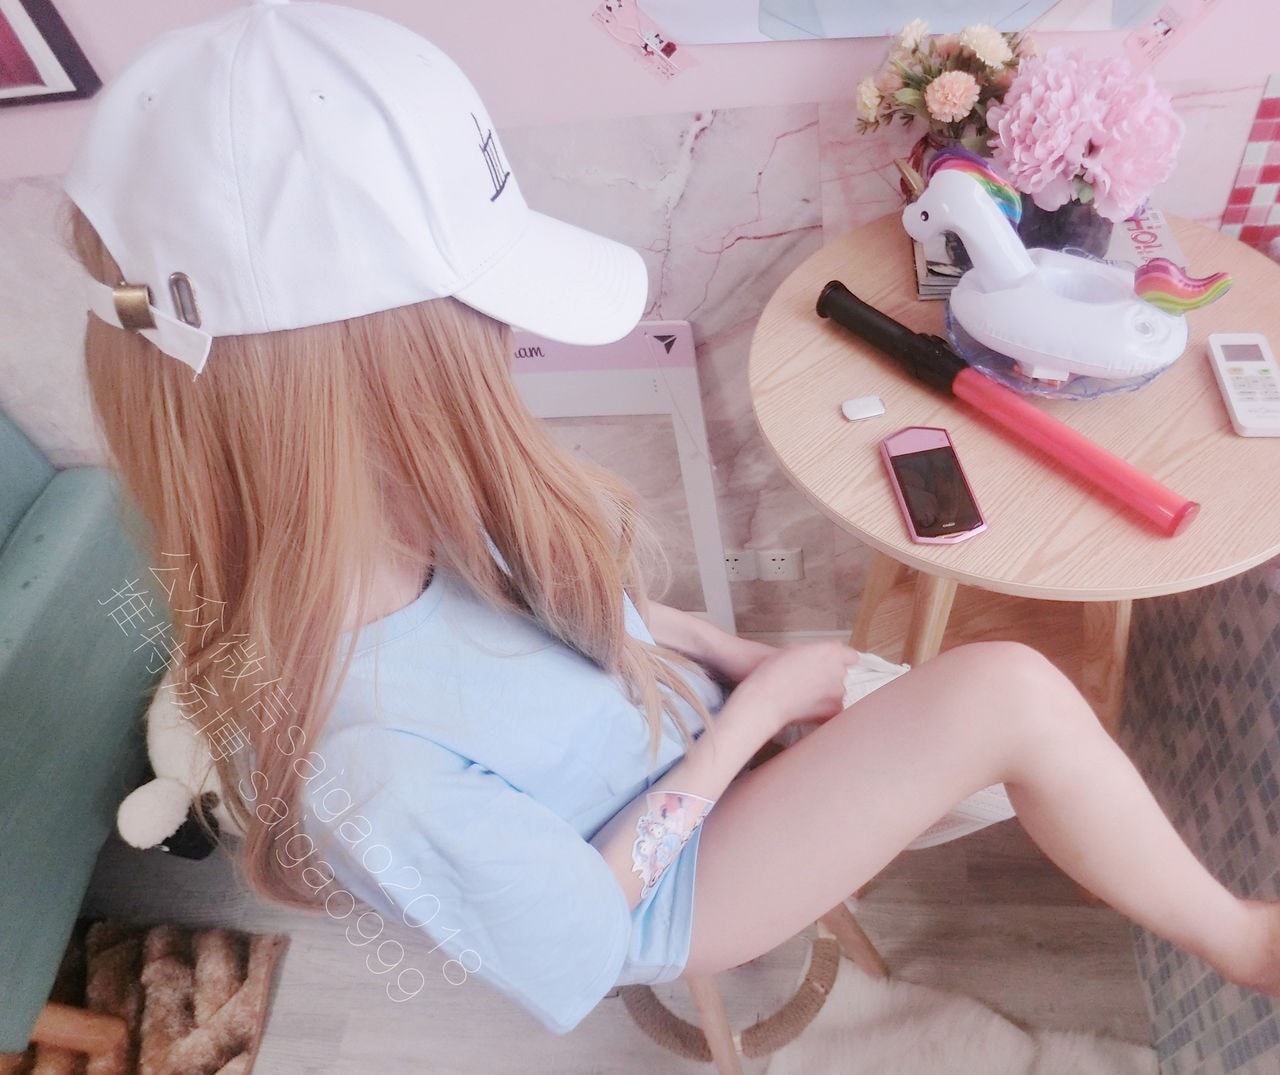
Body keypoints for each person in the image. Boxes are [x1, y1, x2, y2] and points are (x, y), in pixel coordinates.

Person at [65, 0, 1280, 1038]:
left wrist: (734, 658)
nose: (502, 358)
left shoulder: (404, 513)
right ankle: (1242, 944)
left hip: (679, 735)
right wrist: (750, 713)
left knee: (1005, 720)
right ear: (352, 402)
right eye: (479, 337)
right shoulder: (369, 769)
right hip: (671, 882)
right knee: (1005, 695)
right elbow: (591, 930)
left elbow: (595, 615)